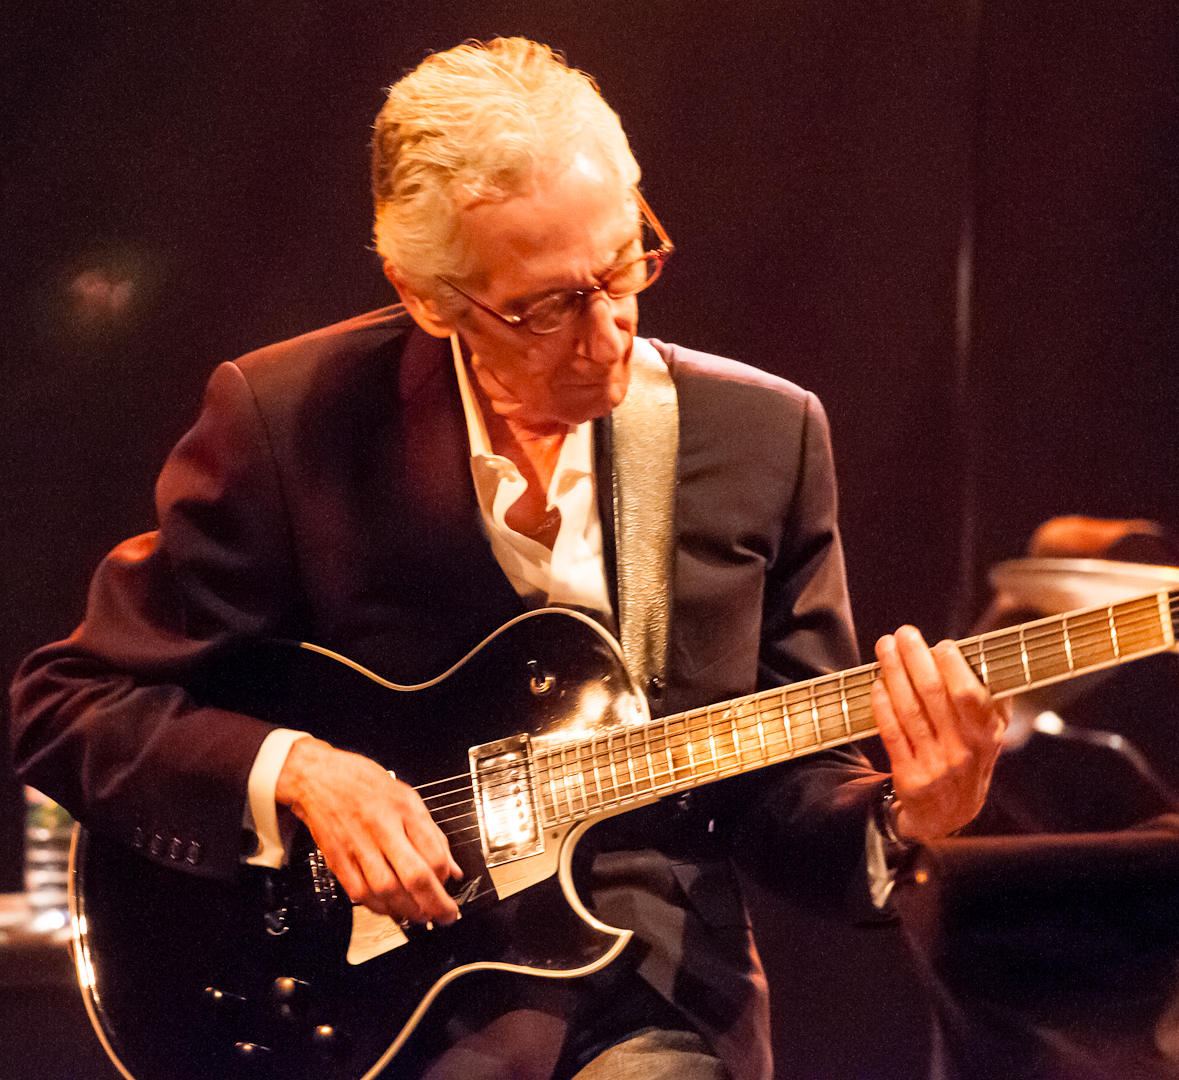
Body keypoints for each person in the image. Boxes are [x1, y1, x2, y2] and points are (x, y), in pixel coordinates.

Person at [9, 38, 1006, 1080]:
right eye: (544, 307)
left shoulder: (765, 437)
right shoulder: (290, 419)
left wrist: (907, 814)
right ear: (425, 292)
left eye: (625, 265)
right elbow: (67, 702)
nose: (608, 331)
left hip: (651, 997)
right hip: (364, 1007)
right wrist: (299, 773)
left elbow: (786, 794)